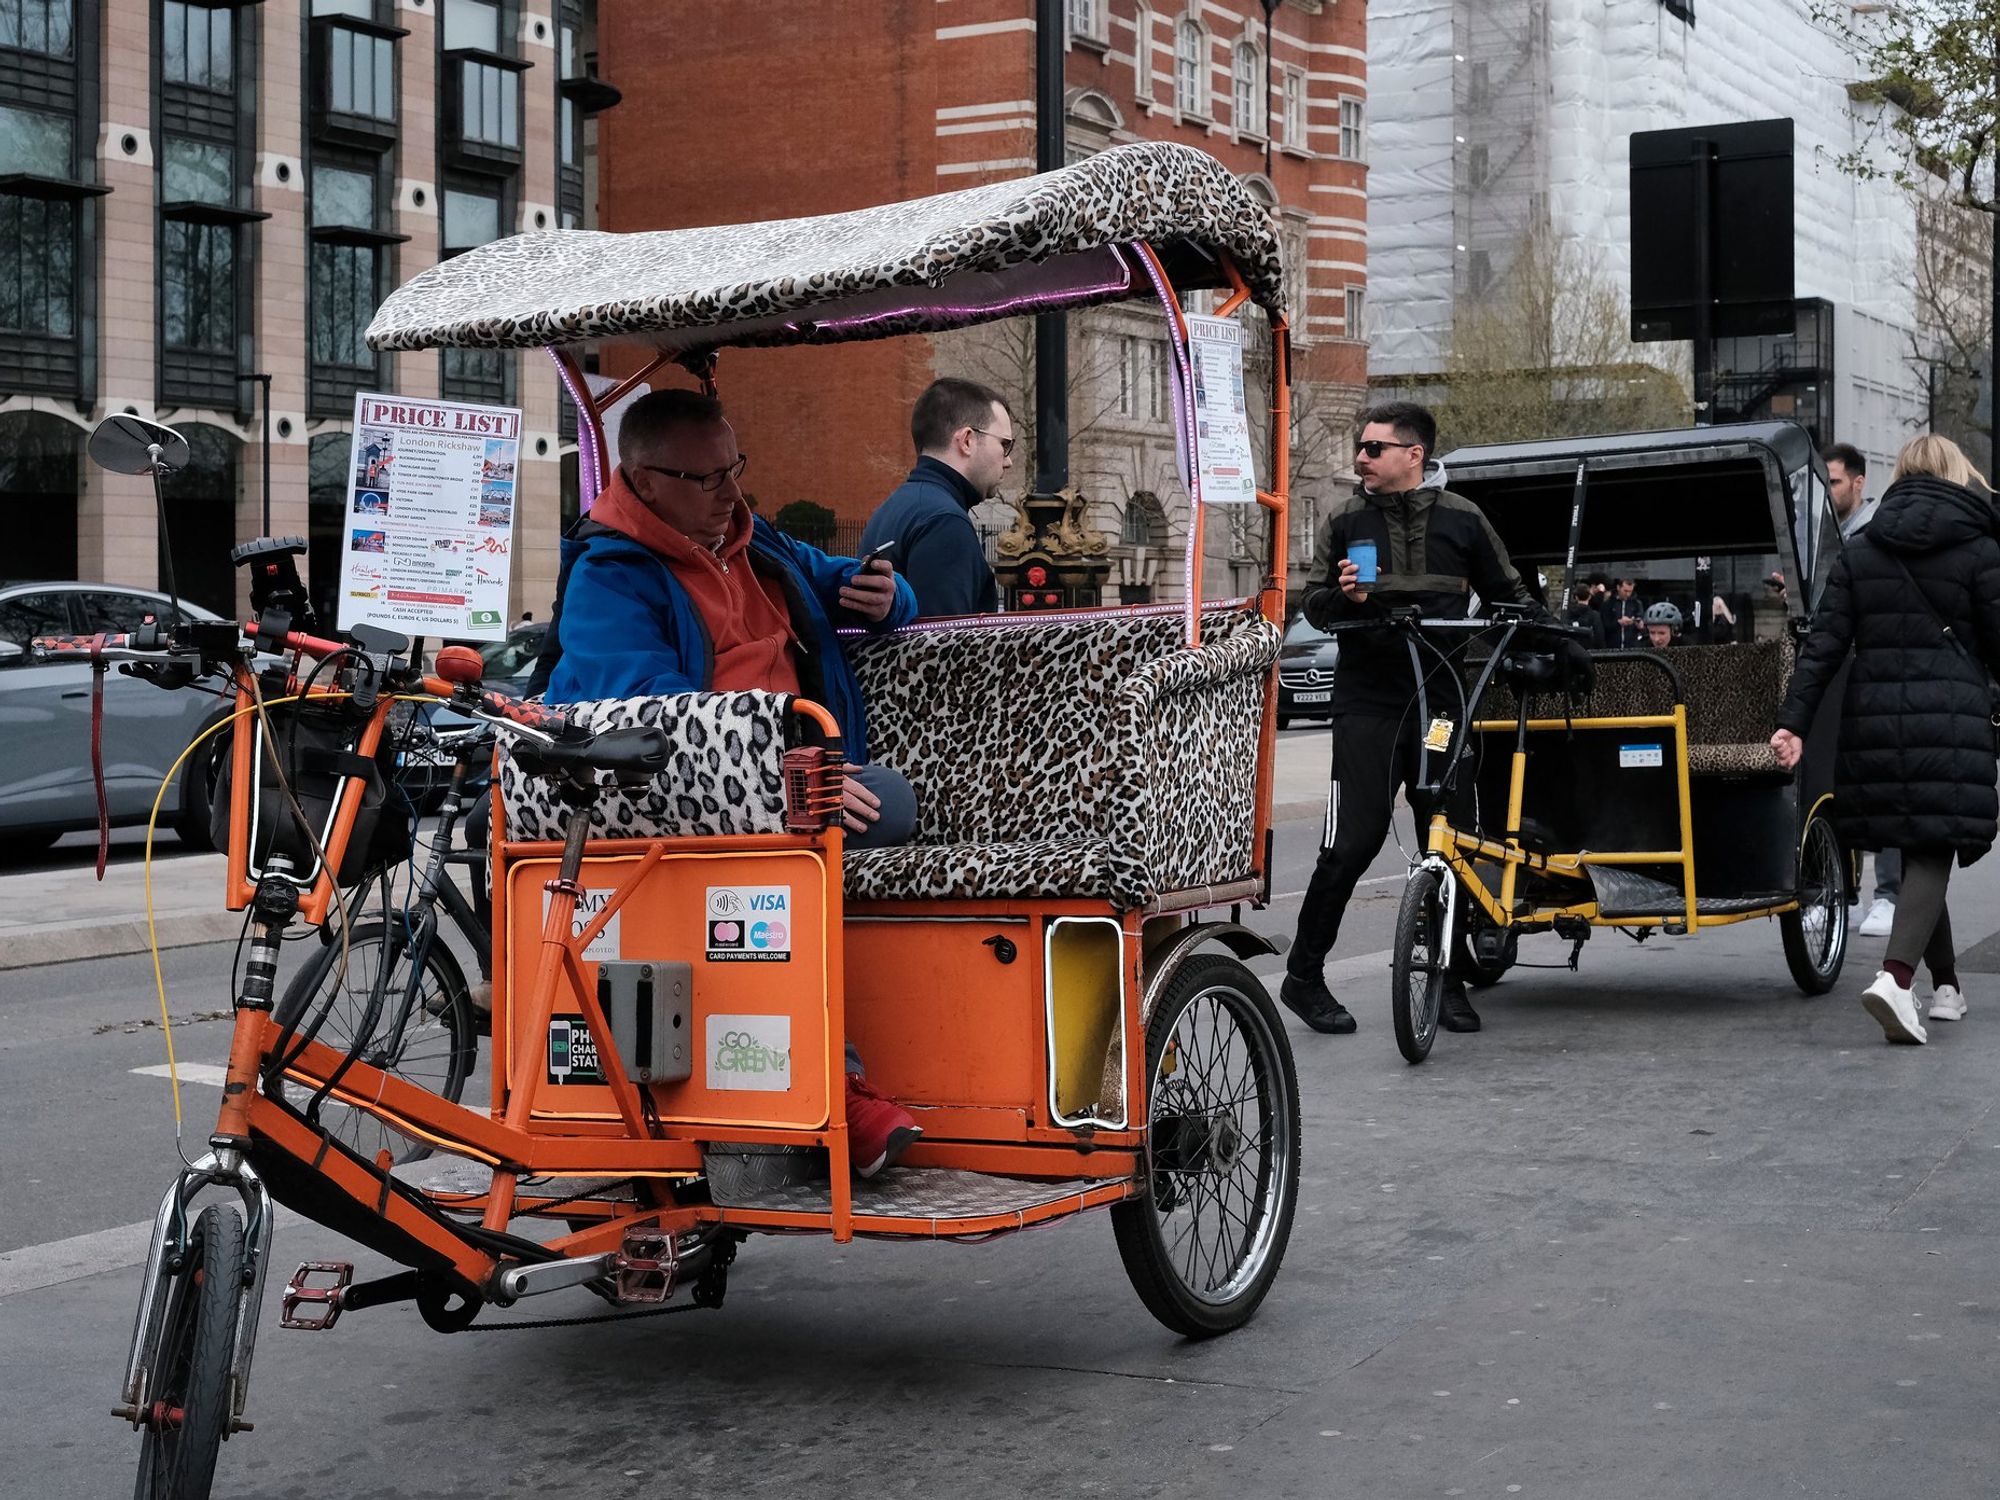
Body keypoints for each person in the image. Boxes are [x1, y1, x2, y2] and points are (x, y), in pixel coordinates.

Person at [538, 387, 925, 1174]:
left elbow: (850, 578)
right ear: (642, 480)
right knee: (865, 818)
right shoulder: (609, 577)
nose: (731, 493)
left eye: (734, 469)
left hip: (795, 769)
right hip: (701, 797)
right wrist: (783, 767)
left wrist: (887, 596)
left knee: (890, 803)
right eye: (706, 478)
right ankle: (837, 1086)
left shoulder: (756, 541)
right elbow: (655, 716)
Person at [1279, 400, 1583, 1038]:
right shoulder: (1344, 519)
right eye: (1361, 447)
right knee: (1350, 843)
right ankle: (1303, 977)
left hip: (1443, 699)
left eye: (1373, 448)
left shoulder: (1464, 519)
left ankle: (1444, 980)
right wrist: (1346, 597)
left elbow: (1511, 596)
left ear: (1413, 455)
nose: (1360, 457)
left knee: (1449, 841)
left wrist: (1561, 643)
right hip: (1368, 701)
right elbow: (1313, 606)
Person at [1771, 433, 2000, 1045]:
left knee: (1922, 837)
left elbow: (1822, 645)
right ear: (1956, 474)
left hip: (1873, 717)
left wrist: (1792, 721)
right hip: (1950, 718)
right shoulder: (1980, 548)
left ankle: (1947, 986)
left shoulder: (1862, 550)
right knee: (1933, 847)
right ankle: (1898, 980)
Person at [1824, 441, 1899, 934]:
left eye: (1832, 481)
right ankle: (1849, 889)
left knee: (1889, 780)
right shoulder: (1828, 536)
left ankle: (1889, 894)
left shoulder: (1876, 535)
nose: (1827, 492)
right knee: (1844, 777)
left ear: (1858, 482)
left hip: (1876, 670)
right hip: (1842, 670)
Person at [859, 377, 1010, 617]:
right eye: (1005, 445)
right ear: (968, 440)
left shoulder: (894, 508)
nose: (1008, 461)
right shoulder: (945, 521)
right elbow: (944, 649)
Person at [1824, 441, 1878, 540]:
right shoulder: (1819, 531)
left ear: (1858, 483)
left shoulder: (1877, 532)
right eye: (1822, 483)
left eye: (1833, 482)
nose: (1825, 490)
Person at [1602, 577, 1647, 647]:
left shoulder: (1637, 604)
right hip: (1612, 645)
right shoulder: (1608, 604)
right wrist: (1618, 622)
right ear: (1618, 587)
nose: (1628, 594)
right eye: (1625, 591)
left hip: (1632, 646)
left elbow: (1643, 626)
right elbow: (1604, 625)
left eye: (1630, 591)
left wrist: (1640, 626)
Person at [1564, 582, 1607, 649]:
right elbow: (1599, 637)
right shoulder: (1594, 615)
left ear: (1576, 597)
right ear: (1589, 597)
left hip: (1572, 651)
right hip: (1589, 652)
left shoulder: (1567, 614)